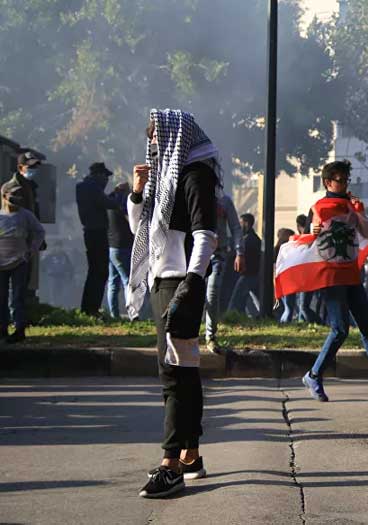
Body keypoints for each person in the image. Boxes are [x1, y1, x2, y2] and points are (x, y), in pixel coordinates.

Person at [128, 109, 218, 498]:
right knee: (183, 370)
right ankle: (190, 456)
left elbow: (205, 236)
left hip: (179, 282)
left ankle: (170, 465)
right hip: (160, 280)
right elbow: (142, 232)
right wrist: (135, 193)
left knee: (174, 373)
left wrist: (191, 284)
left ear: (174, 138)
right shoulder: (163, 181)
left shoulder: (195, 175)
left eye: (157, 140)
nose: (153, 147)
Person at [301, 160, 368, 401]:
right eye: (341, 180)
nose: (345, 184)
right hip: (331, 276)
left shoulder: (352, 206)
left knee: (367, 325)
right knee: (340, 330)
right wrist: (312, 232)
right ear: (328, 182)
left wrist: (358, 213)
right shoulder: (318, 207)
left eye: (347, 180)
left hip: (351, 274)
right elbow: (305, 242)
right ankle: (314, 375)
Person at [0, 185, 45, 342]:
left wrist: (32, 249)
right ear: (4, 196)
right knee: (2, 297)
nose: (16, 200)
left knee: (17, 297)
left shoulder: (25, 215)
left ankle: (19, 329)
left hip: (19, 261)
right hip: (1, 263)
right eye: (13, 196)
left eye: (19, 196)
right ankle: (2, 328)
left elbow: (39, 231)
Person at [76, 162, 121, 317]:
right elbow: (108, 204)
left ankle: (87, 308)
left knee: (94, 271)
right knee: (100, 272)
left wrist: (112, 194)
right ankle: (92, 309)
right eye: (105, 176)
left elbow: (99, 202)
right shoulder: (92, 187)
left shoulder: (83, 187)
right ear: (99, 174)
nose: (106, 180)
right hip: (97, 233)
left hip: (90, 232)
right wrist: (120, 197)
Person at [204, 192, 243, 353]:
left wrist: (240, 252)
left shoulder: (224, 201)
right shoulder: (193, 194)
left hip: (217, 254)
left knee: (212, 293)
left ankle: (210, 336)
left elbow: (235, 227)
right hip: (194, 253)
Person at [107, 181, 135, 319]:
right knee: (127, 281)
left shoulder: (108, 203)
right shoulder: (122, 205)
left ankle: (114, 315)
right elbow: (132, 223)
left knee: (113, 282)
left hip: (111, 247)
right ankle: (132, 314)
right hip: (123, 246)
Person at [226, 213, 261, 317]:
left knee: (236, 302)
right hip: (252, 274)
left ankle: (232, 318)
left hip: (248, 275)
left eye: (241, 223)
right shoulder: (252, 238)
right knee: (257, 300)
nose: (239, 226)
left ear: (246, 223)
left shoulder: (249, 240)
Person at [275, 228, 296, 323]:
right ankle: (284, 323)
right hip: (289, 281)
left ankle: (282, 323)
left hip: (281, 281)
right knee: (289, 308)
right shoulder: (288, 249)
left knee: (286, 307)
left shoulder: (277, 250)